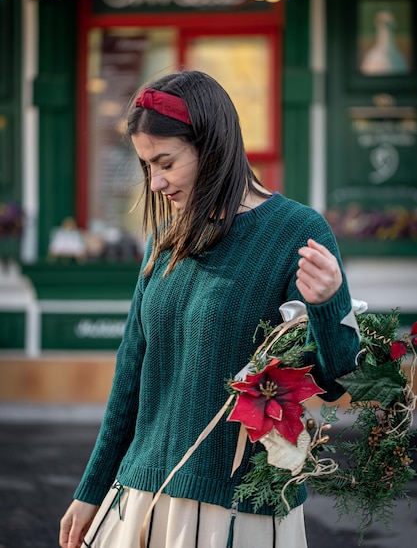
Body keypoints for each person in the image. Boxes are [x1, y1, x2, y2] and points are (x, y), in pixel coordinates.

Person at [59, 70, 360, 548]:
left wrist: (328, 304)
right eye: (146, 167)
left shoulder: (296, 231)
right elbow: (131, 373)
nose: (155, 182)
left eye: (166, 163)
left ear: (212, 146)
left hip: (239, 509)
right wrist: (92, 489)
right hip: (140, 489)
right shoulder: (166, 238)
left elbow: (335, 379)